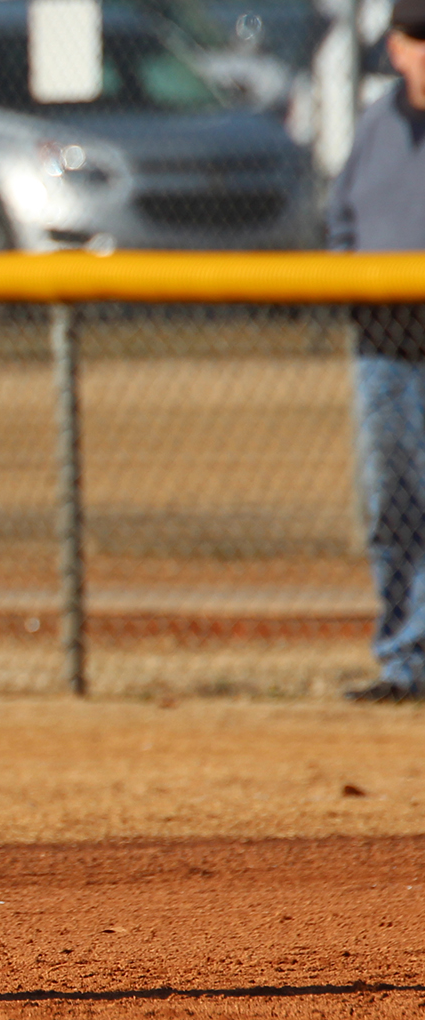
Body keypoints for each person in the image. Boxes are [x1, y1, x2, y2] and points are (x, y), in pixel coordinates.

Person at [330, 0, 425, 702]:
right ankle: (402, 659)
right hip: (384, 344)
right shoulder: (374, 126)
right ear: (394, 47)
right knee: (390, 502)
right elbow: (340, 222)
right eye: (417, 39)